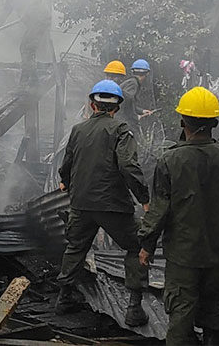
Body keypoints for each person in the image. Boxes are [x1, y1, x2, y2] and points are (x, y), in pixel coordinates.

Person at [138, 86, 219, 345]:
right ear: (215, 122)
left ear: (183, 122)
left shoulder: (170, 160)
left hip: (184, 256)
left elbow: (159, 210)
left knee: (181, 319)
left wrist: (146, 245)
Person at [55, 80, 150, 326]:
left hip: (81, 203)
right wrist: (144, 198)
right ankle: (134, 308)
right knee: (137, 246)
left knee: (76, 247)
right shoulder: (121, 130)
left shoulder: (78, 129)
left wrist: (65, 182)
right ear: (116, 108)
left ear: (91, 105)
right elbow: (128, 166)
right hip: (113, 206)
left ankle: (64, 298)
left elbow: (67, 163)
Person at [118, 59, 155, 130]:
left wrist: (142, 111)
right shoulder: (133, 83)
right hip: (121, 119)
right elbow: (126, 101)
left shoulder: (131, 82)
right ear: (147, 73)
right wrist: (135, 116)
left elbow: (130, 103)